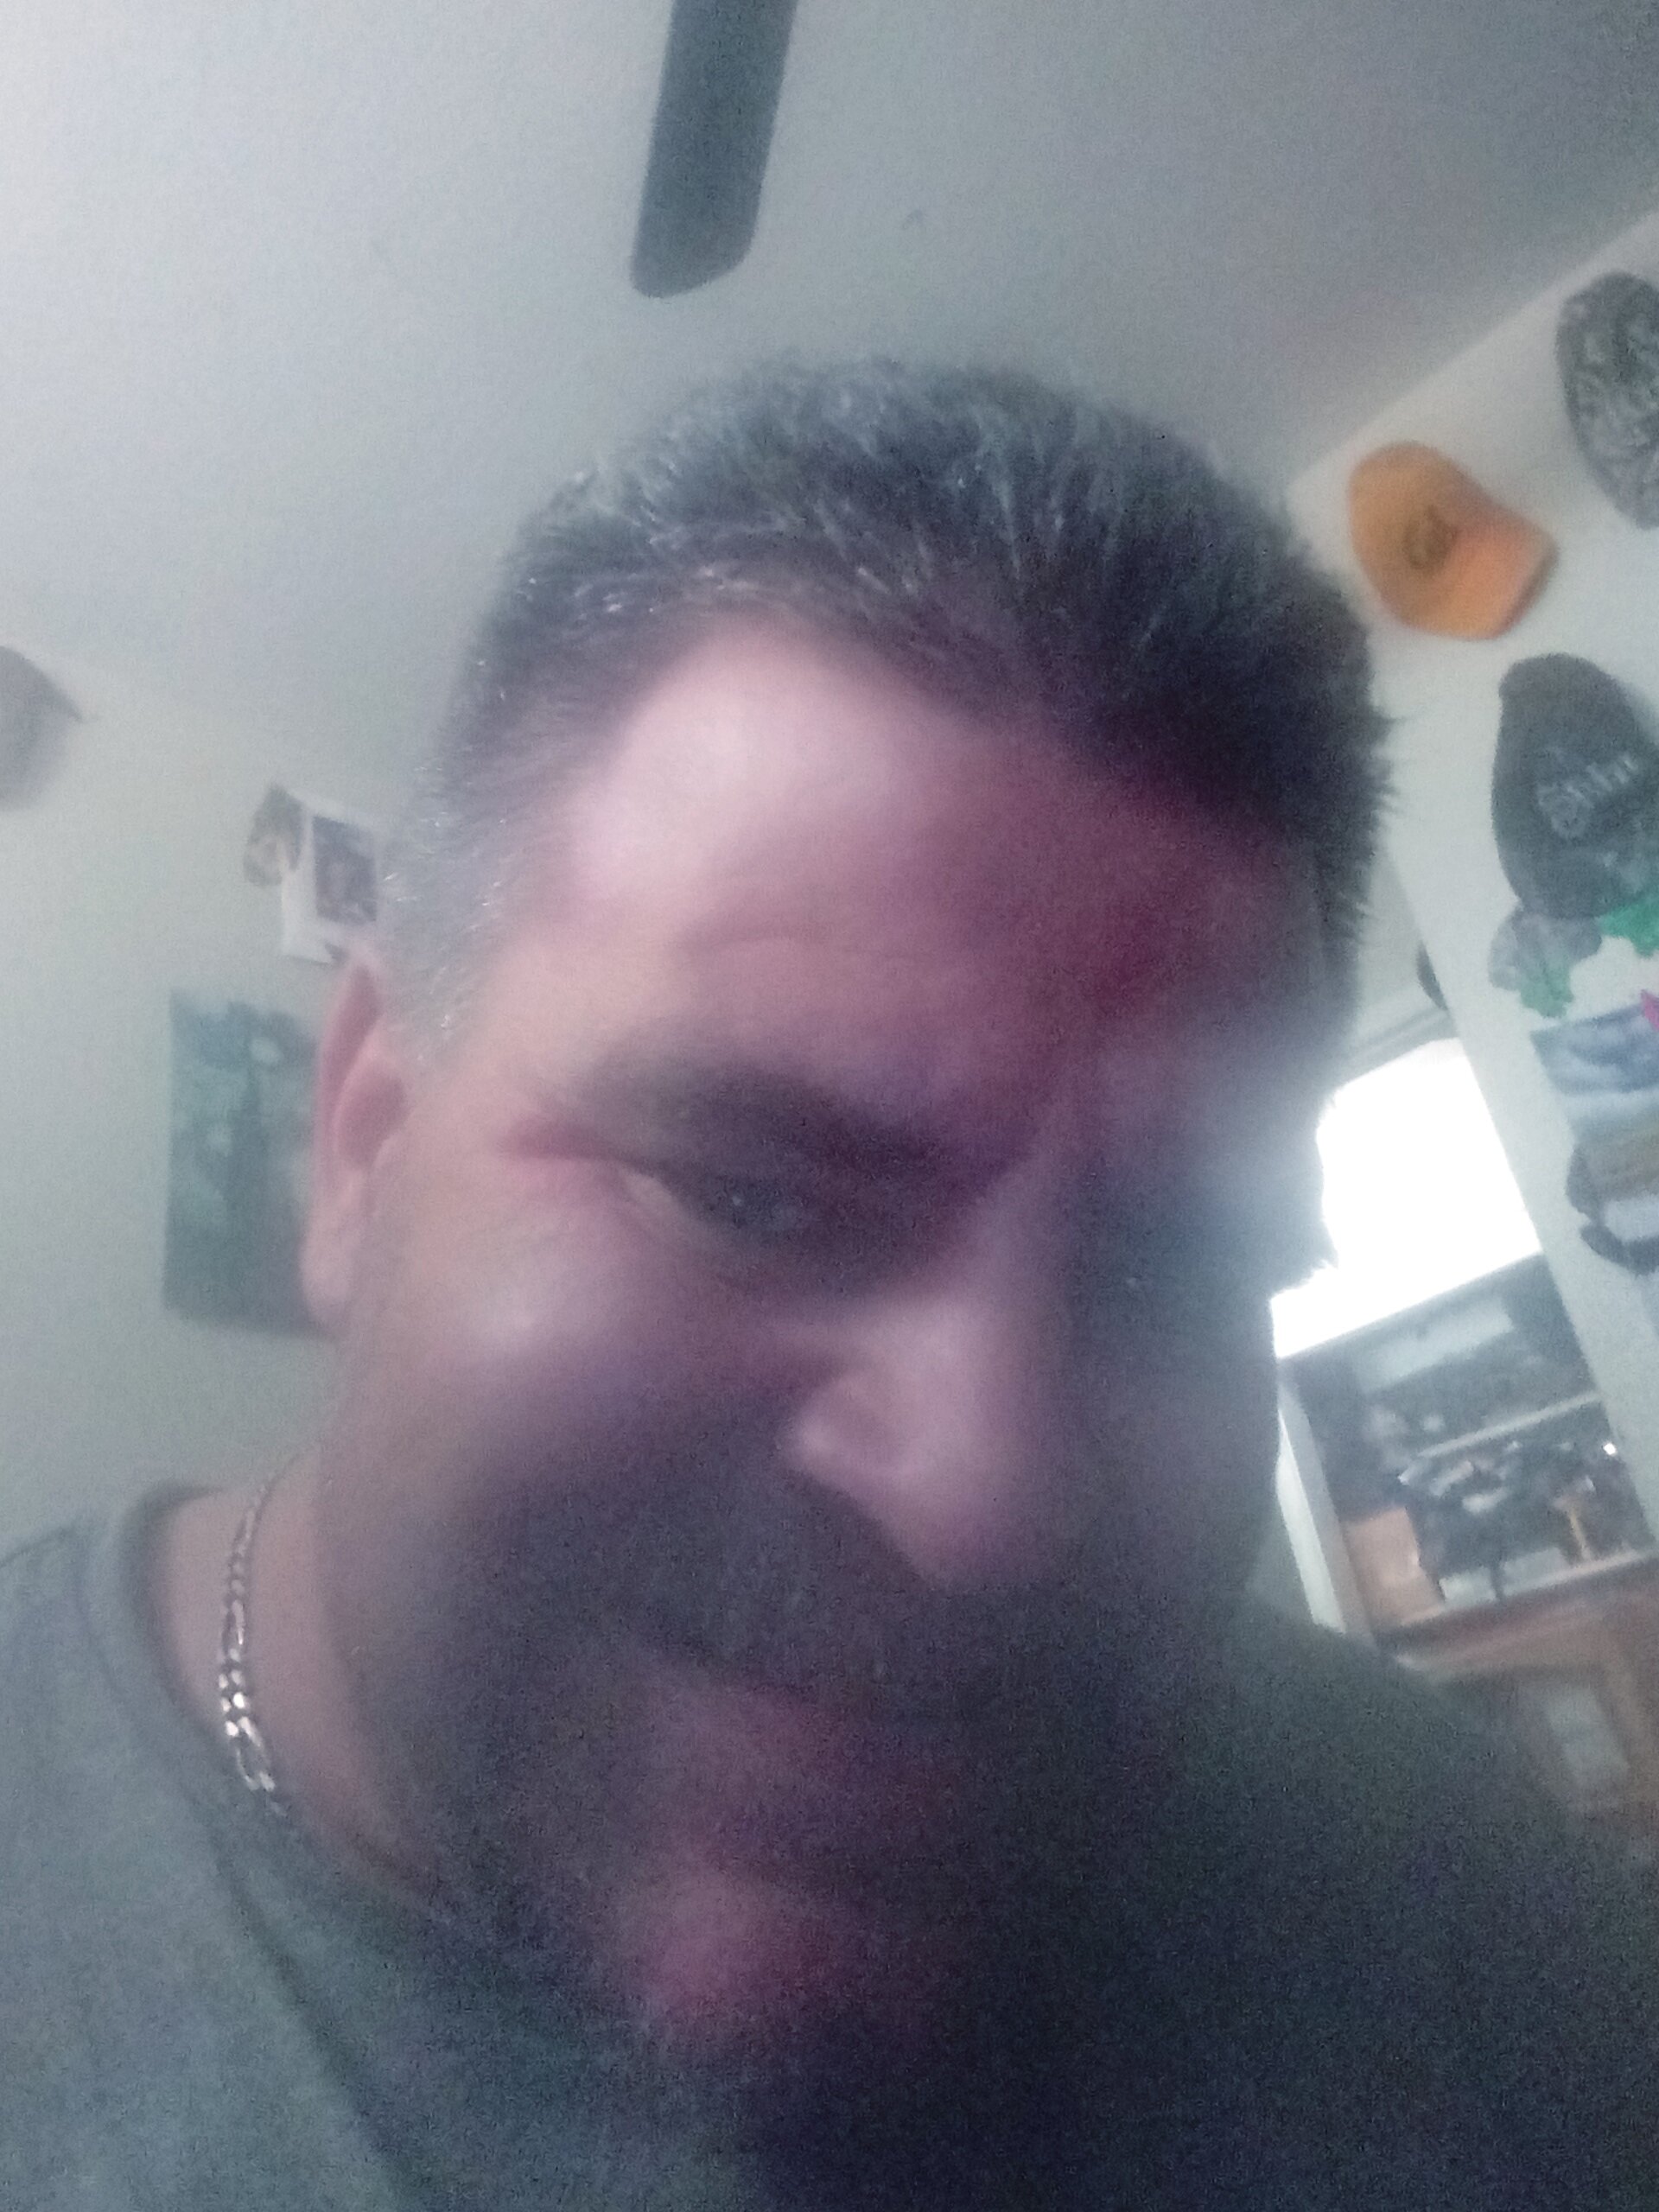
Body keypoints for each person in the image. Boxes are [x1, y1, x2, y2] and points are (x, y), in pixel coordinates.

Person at [3, 361, 1654, 2209]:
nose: (988, 1499)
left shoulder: (1436, 1879)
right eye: (748, 1194)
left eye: (1173, 1266)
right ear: (365, 1136)